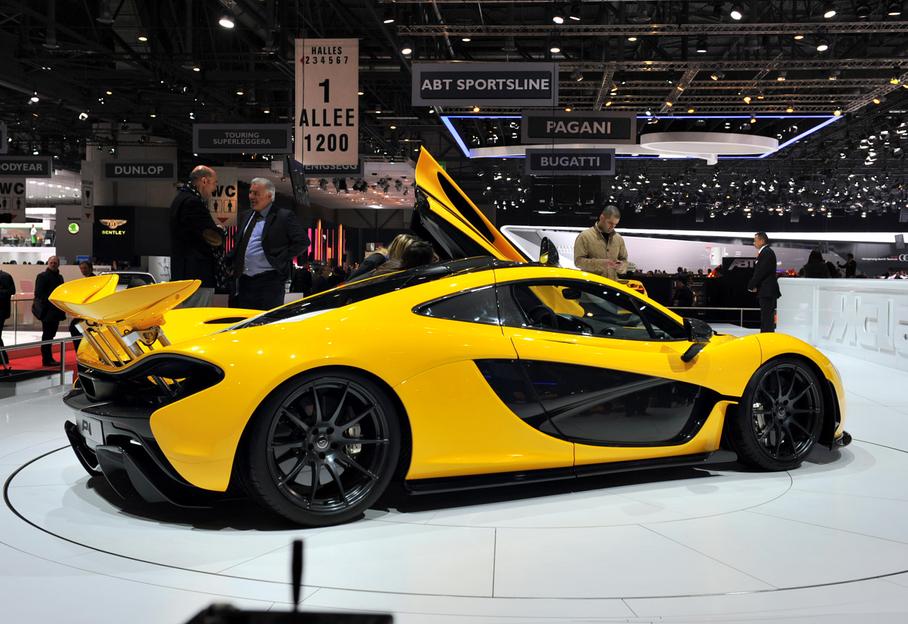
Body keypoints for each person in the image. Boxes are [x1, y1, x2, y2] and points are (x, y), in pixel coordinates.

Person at [230, 177, 309, 310]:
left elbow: (303, 241)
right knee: (245, 320)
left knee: (267, 320)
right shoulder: (245, 216)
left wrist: (280, 258)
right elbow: (240, 244)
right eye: (250, 192)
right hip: (245, 281)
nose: (251, 197)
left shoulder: (283, 216)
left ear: (269, 196)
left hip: (270, 282)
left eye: (256, 193)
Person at [170, 165, 224, 307]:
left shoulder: (179, 199)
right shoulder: (193, 202)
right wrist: (219, 231)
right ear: (204, 181)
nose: (214, 189)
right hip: (197, 276)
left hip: (183, 274)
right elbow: (212, 237)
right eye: (214, 183)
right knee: (196, 315)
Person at [574, 205, 628, 281]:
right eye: (610, 223)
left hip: (612, 285)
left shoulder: (618, 239)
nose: (612, 227)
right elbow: (578, 262)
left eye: (615, 224)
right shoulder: (584, 236)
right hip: (592, 285)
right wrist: (602, 263)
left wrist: (621, 267)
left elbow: (624, 260)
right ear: (602, 217)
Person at [33, 255, 65, 365]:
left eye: (55, 262)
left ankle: (48, 358)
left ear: (58, 264)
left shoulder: (60, 277)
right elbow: (38, 293)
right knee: (47, 335)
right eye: (51, 262)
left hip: (56, 311)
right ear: (48, 263)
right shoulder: (42, 276)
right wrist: (50, 302)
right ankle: (46, 359)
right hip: (47, 312)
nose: (53, 264)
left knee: (51, 335)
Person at [747, 232, 781, 333]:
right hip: (766, 290)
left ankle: (767, 337)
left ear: (762, 241)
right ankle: (766, 336)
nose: (753, 243)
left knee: (767, 317)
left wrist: (751, 285)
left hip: (767, 291)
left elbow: (761, 272)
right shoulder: (765, 252)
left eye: (755, 240)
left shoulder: (767, 252)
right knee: (766, 316)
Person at [69, 261, 95, 349]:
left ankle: (81, 352)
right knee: (77, 329)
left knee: (75, 328)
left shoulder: (93, 280)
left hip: (89, 315)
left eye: (85, 268)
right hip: (86, 314)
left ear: (90, 268)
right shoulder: (87, 280)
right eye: (81, 268)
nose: (83, 270)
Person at [0, 267, 15, 371]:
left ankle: (3, 358)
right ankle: (3, 358)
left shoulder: (6, 276)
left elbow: (12, 290)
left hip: (1, 310)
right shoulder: (6, 276)